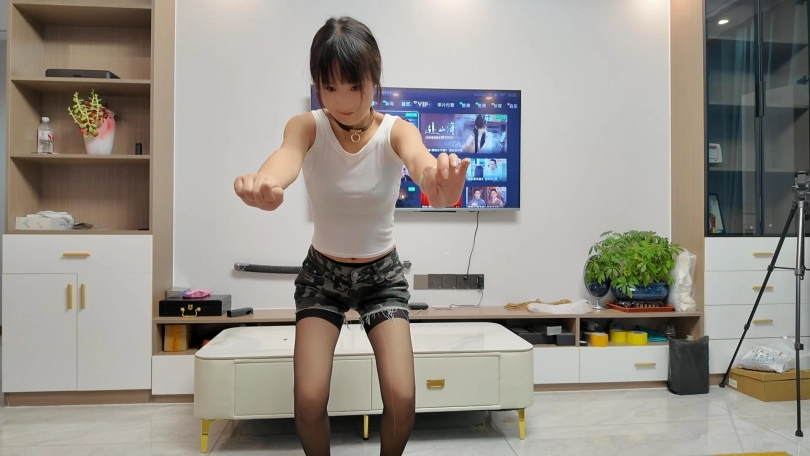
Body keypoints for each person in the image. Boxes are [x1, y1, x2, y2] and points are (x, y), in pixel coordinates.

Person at [233, 16, 470, 456]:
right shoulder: (307, 126)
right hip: (322, 277)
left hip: (383, 277)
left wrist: (443, 189)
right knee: (308, 399)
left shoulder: (397, 131)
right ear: (317, 85)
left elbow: (423, 167)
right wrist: (266, 184)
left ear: (374, 78)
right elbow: (284, 159)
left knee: (402, 399)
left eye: (355, 86)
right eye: (330, 86)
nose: (342, 100)